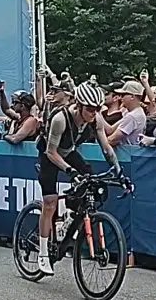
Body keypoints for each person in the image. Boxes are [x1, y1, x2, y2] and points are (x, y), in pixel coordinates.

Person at [35, 82, 122, 275]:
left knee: (90, 181)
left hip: (69, 152)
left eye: (98, 109)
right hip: (50, 154)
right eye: (90, 109)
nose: (94, 113)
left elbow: (107, 148)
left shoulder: (95, 119)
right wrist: (70, 171)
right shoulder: (61, 119)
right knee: (50, 202)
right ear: (79, 105)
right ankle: (42, 253)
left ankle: (71, 218)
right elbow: (51, 152)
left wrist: (119, 172)